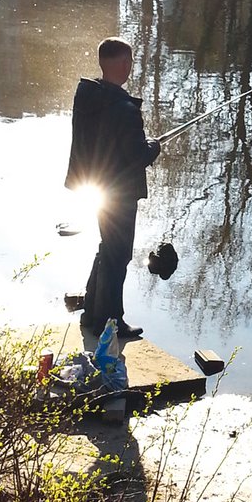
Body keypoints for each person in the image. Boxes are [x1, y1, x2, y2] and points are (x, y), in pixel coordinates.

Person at [65, 37, 160, 342]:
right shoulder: (123, 108)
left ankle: (93, 313)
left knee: (108, 248)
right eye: (129, 61)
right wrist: (153, 148)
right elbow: (136, 156)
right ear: (121, 64)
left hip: (95, 185)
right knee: (118, 255)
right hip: (118, 191)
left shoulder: (89, 96)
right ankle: (112, 323)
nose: (131, 66)